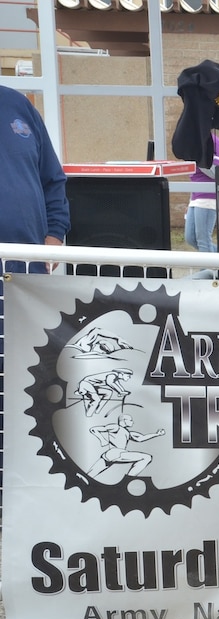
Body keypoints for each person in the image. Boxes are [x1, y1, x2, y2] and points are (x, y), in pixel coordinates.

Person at [0, 85, 70, 488]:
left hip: (26, 280)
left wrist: (54, 237)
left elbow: (52, 180)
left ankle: (27, 484)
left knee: (29, 381)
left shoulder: (17, 105)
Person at [184, 132, 219, 255]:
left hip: (208, 197)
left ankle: (209, 272)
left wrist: (198, 158)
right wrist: (190, 201)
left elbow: (215, 172)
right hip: (196, 196)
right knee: (190, 237)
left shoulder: (212, 142)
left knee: (203, 239)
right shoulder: (195, 141)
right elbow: (195, 177)